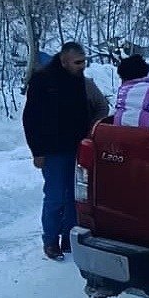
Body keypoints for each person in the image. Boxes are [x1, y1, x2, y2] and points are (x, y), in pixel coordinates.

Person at [23, 41, 95, 261]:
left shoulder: (79, 80)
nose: (83, 66)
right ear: (64, 61)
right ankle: (50, 241)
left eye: (84, 61)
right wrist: (37, 151)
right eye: (78, 62)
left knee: (75, 197)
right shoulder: (42, 79)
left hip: (77, 147)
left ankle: (69, 239)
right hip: (52, 150)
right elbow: (30, 118)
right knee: (55, 197)